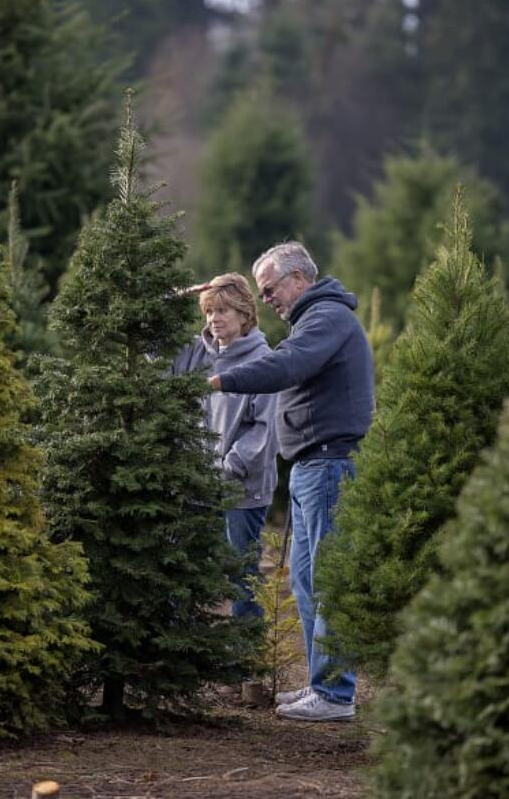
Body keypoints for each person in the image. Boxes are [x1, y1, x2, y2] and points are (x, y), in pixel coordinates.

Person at [210, 242, 374, 722]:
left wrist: (220, 381)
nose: (266, 301)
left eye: (269, 289)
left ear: (297, 279)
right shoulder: (314, 320)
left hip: (328, 464)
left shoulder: (326, 318)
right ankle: (322, 687)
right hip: (309, 467)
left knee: (323, 579)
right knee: (304, 580)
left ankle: (336, 695)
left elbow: (285, 366)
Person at [173, 273, 278, 620]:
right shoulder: (195, 353)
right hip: (195, 486)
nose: (214, 319)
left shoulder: (264, 361)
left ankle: (246, 653)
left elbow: (263, 430)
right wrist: (176, 297)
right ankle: (179, 642)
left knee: (241, 575)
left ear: (245, 314)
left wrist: (225, 468)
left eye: (223, 311)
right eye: (208, 312)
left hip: (241, 490)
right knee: (181, 565)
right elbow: (148, 341)